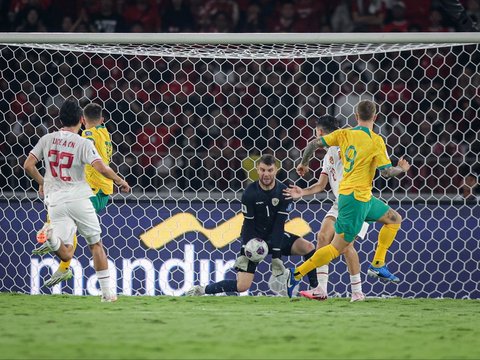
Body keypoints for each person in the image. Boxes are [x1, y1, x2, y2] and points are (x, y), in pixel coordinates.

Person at [286, 100, 411, 298]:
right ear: (376, 117)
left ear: (355, 116)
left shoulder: (345, 134)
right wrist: (402, 169)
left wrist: (304, 163)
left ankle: (378, 264)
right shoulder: (376, 140)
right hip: (354, 199)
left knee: (394, 220)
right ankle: (297, 274)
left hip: (362, 198)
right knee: (338, 247)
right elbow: (387, 173)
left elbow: (312, 144)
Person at [24, 98, 130, 302]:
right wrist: (119, 180)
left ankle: (51, 236)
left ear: (59, 119)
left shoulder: (47, 139)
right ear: (81, 120)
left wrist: (43, 182)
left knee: (65, 252)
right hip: (80, 198)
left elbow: (28, 165)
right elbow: (101, 167)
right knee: (95, 244)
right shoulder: (83, 141)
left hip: (55, 201)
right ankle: (107, 294)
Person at [186, 154, 318, 296]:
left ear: (276, 170)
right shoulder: (250, 193)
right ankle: (202, 290)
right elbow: (248, 225)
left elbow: (279, 226)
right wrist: (246, 248)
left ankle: (315, 290)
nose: (266, 174)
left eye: (269, 170)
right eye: (262, 170)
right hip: (254, 240)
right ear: (257, 170)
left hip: (274, 236)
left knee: (308, 247)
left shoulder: (283, 191)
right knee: (242, 285)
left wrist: (276, 256)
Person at [283, 116, 368, 302]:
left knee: (346, 247)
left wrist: (304, 162)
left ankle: (357, 291)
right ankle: (321, 288)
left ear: (320, 132)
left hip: (356, 201)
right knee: (322, 236)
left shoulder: (348, 144)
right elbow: (321, 185)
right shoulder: (329, 153)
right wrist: (302, 192)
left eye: (316, 132)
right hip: (340, 203)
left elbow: (313, 145)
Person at [42, 103, 115, 287]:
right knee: (64, 207)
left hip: (96, 189)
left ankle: (62, 260)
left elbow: (88, 141)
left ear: (83, 120)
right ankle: (53, 238)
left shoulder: (88, 135)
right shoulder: (105, 133)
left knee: (67, 210)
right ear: (102, 120)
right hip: (99, 189)